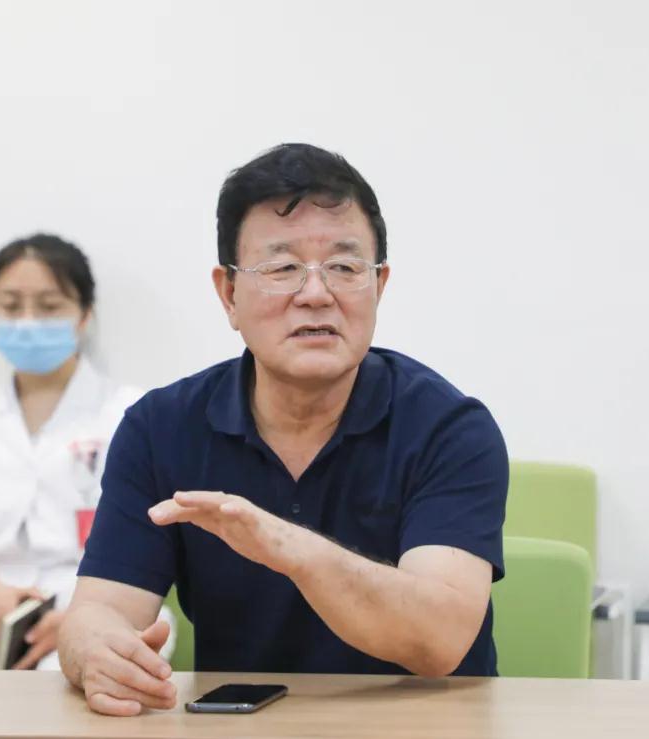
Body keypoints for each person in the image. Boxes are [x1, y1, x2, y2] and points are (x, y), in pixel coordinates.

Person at [58, 144, 510, 716]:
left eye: (344, 268)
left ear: (379, 286)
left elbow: (439, 639)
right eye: (282, 268)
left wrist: (288, 547)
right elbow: (97, 611)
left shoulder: (449, 428)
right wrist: (95, 651)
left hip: (426, 727)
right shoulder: (160, 428)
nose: (316, 294)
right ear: (229, 294)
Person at [0, 233, 160, 671]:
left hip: (110, 612)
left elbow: (156, 543)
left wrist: (86, 615)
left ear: (84, 315)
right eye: (10, 306)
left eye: (48, 306)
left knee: (73, 682)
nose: (27, 321)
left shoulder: (133, 412)